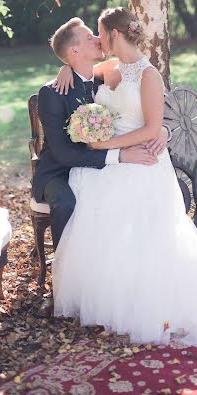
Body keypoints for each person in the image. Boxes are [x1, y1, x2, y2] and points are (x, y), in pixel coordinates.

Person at [51, 7, 197, 347]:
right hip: (113, 157)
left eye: (100, 33)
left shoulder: (149, 75)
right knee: (89, 195)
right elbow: (80, 66)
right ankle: (106, 293)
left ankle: (143, 302)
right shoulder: (111, 67)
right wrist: (65, 66)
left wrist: (106, 144)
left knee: (140, 223)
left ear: (114, 35)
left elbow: (151, 127)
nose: (97, 39)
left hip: (142, 159)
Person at [32, 17, 168, 251]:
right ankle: (64, 267)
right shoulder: (52, 93)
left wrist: (162, 130)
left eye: (97, 34)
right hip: (59, 171)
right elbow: (63, 152)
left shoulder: (106, 79)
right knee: (66, 202)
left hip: (98, 166)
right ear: (74, 49)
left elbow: (141, 111)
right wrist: (119, 156)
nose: (97, 39)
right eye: (89, 37)